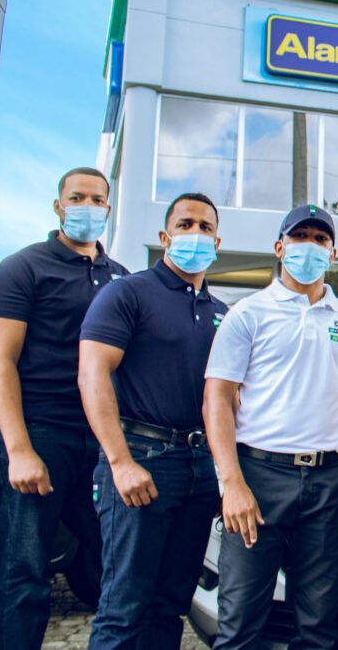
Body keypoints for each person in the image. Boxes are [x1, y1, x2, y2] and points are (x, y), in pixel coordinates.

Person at [203, 204, 338, 649]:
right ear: (280, 247)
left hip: (331, 482)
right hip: (258, 478)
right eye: (300, 236)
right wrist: (231, 483)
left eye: (320, 239)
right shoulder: (247, 315)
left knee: (319, 627)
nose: (310, 246)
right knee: (241, 622)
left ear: (333, 253)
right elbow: (217, 400)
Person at [0, 167, 128, 649]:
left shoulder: (120, 279)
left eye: (97, 199)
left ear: (108, 207)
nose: (87, 206)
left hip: (100, 441)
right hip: (37, 433)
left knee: (115, 563)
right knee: (25, 574)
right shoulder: (22, 267)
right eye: (76, 197)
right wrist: (19, 449)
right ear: (58, 206)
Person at [78, 192, 228, 649]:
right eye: (186, 225)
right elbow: (92, 374)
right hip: (142, 459)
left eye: (205, 227)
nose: (196, 234)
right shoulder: (128, 292)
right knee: (124, 608)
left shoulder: (221, 312)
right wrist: (120, 462)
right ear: (166, 236)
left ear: (217, 240)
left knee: (170, 607)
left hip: (199, 469)